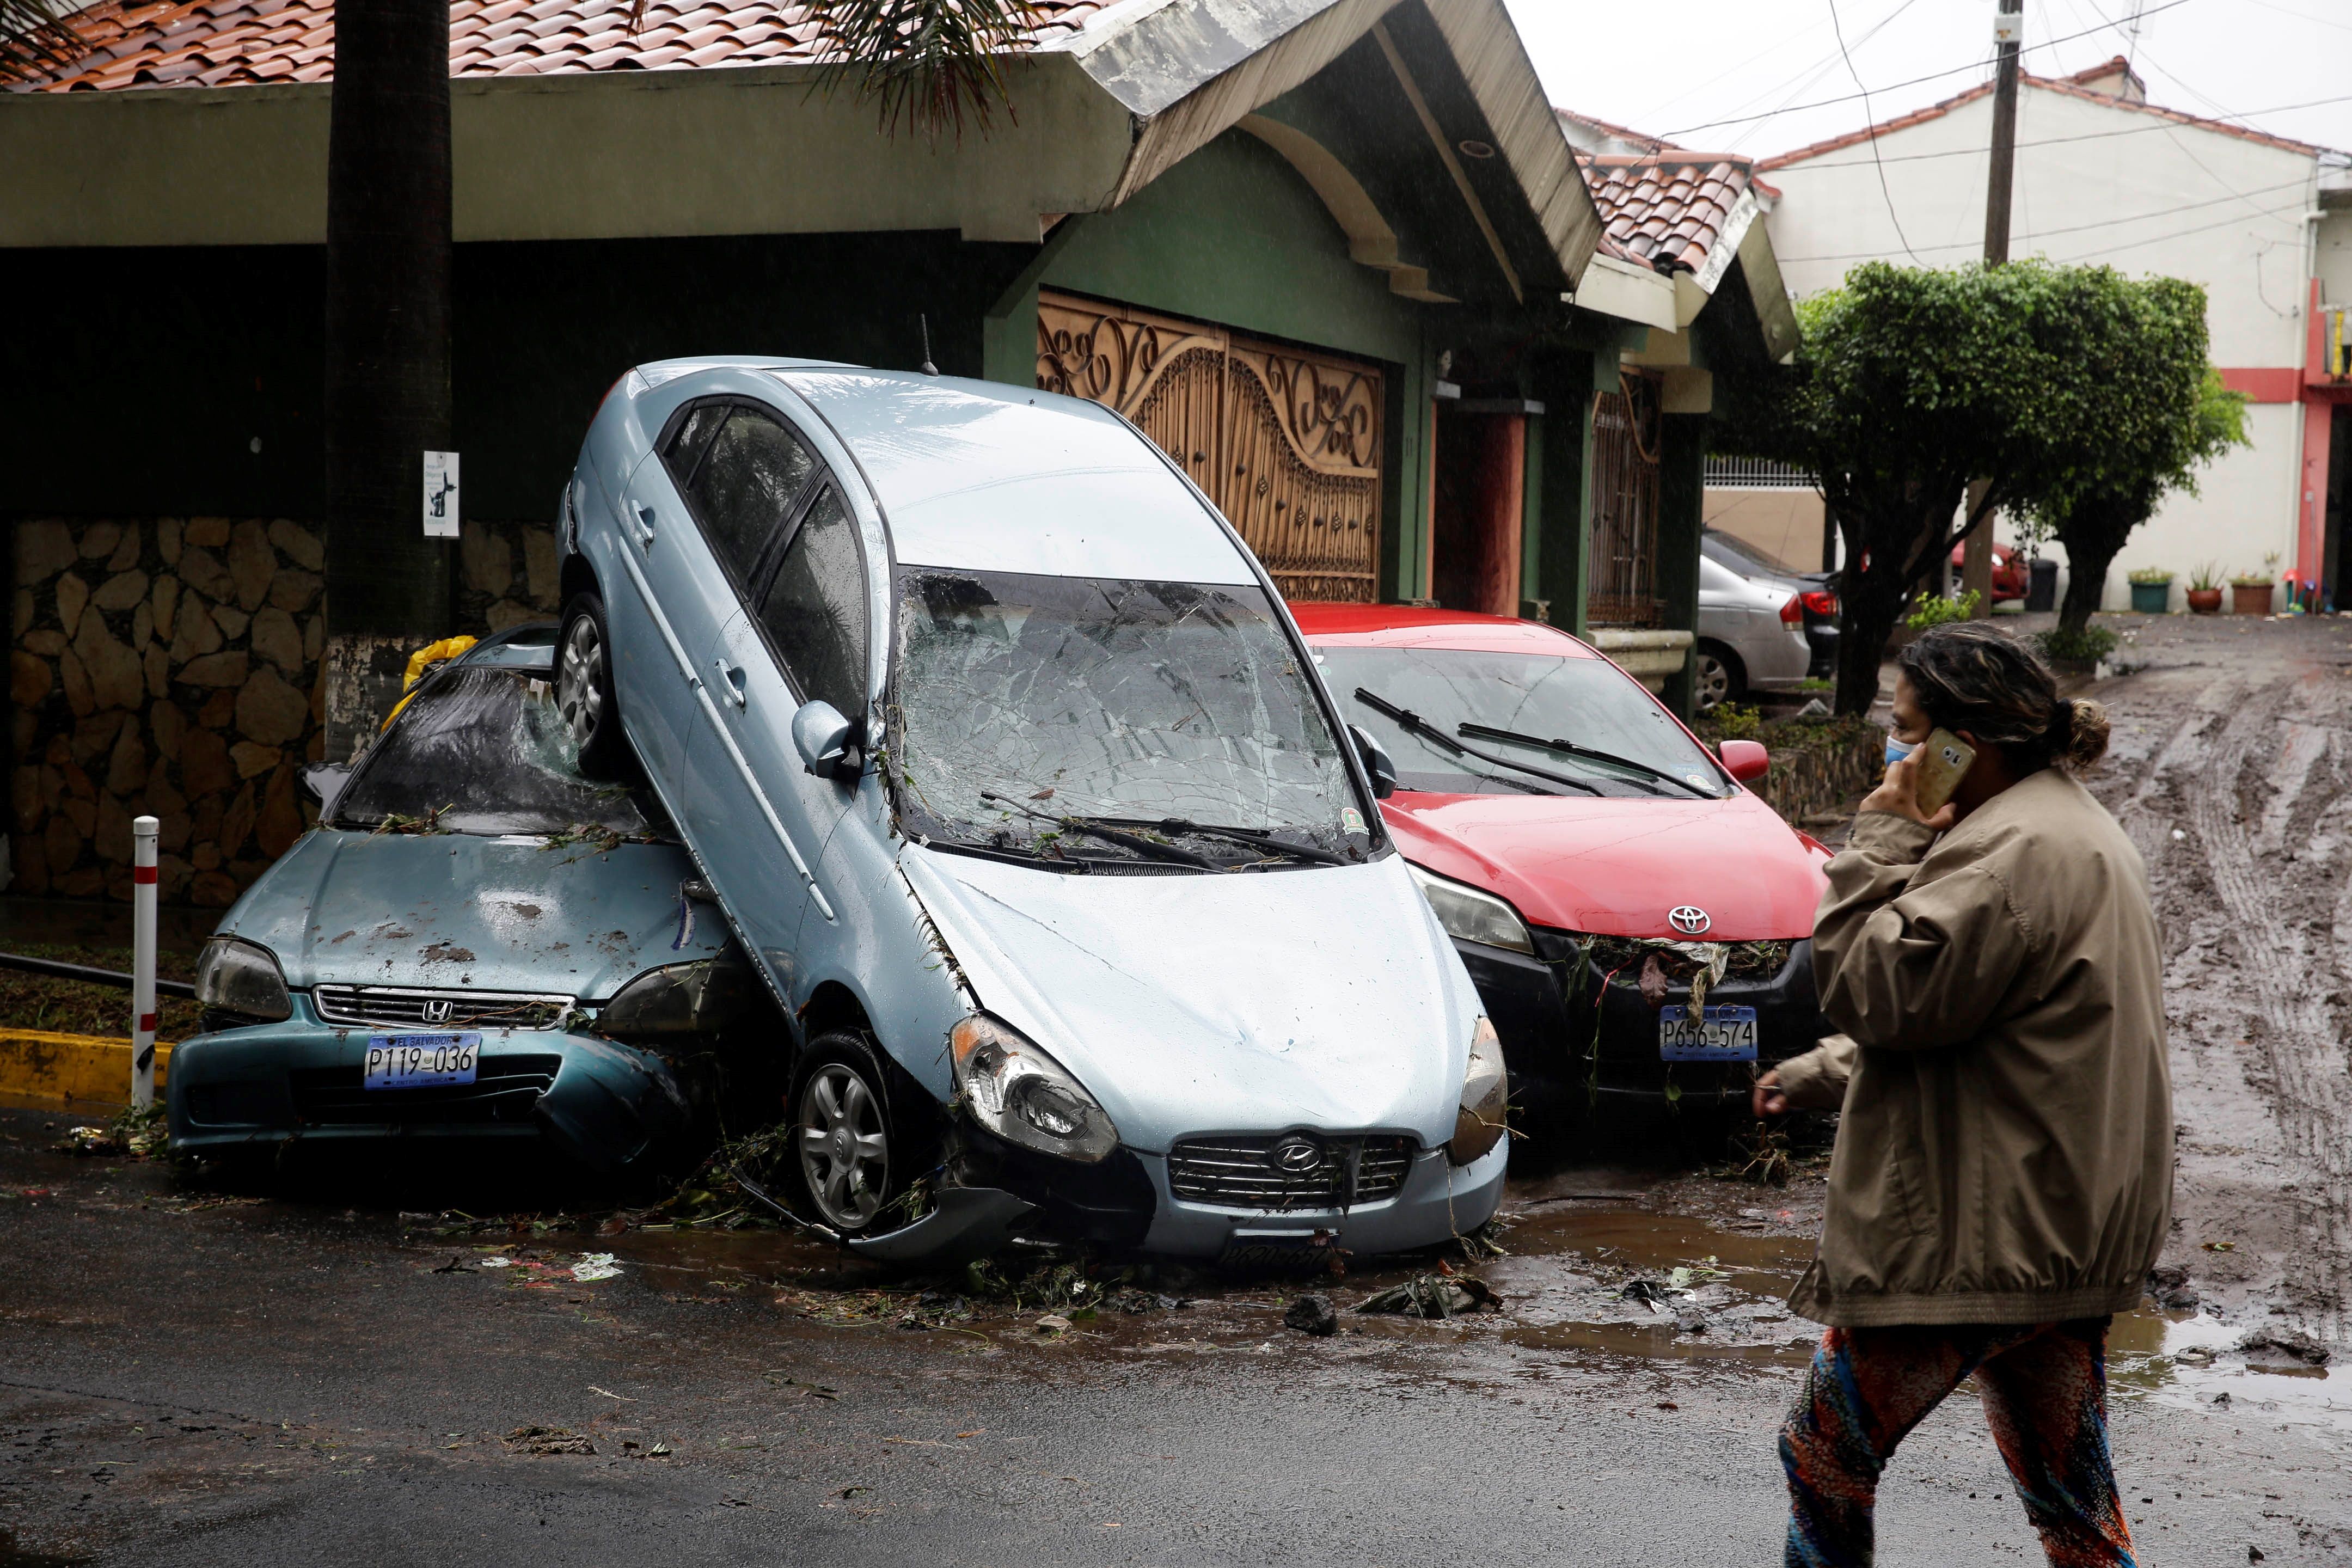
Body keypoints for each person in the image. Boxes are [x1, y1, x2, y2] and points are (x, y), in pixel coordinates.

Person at [1754, 621, 2171, 1568]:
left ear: (1962, 745)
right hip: (2052, 1227)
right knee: (2072, 1504)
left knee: (1822, 1453)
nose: (1894, 753)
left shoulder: (2004, 854)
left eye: (1906, 731)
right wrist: (1819, 1075)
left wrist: (1884, 834)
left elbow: (1868, 987)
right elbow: (1978, 1029)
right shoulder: (2062, 828)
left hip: (1982, 1238)